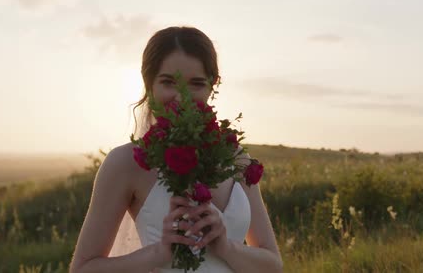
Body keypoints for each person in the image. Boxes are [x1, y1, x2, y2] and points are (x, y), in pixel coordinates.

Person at [69, 26, 283, 273]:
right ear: (149, 85)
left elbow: (272, 266)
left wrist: (225, 247)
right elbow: (83, 268)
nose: (182, 97)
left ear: (212, 87)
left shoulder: (236, 160)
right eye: (169, 82)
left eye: (196, 83)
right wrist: (158, 253)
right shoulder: (125, 163)